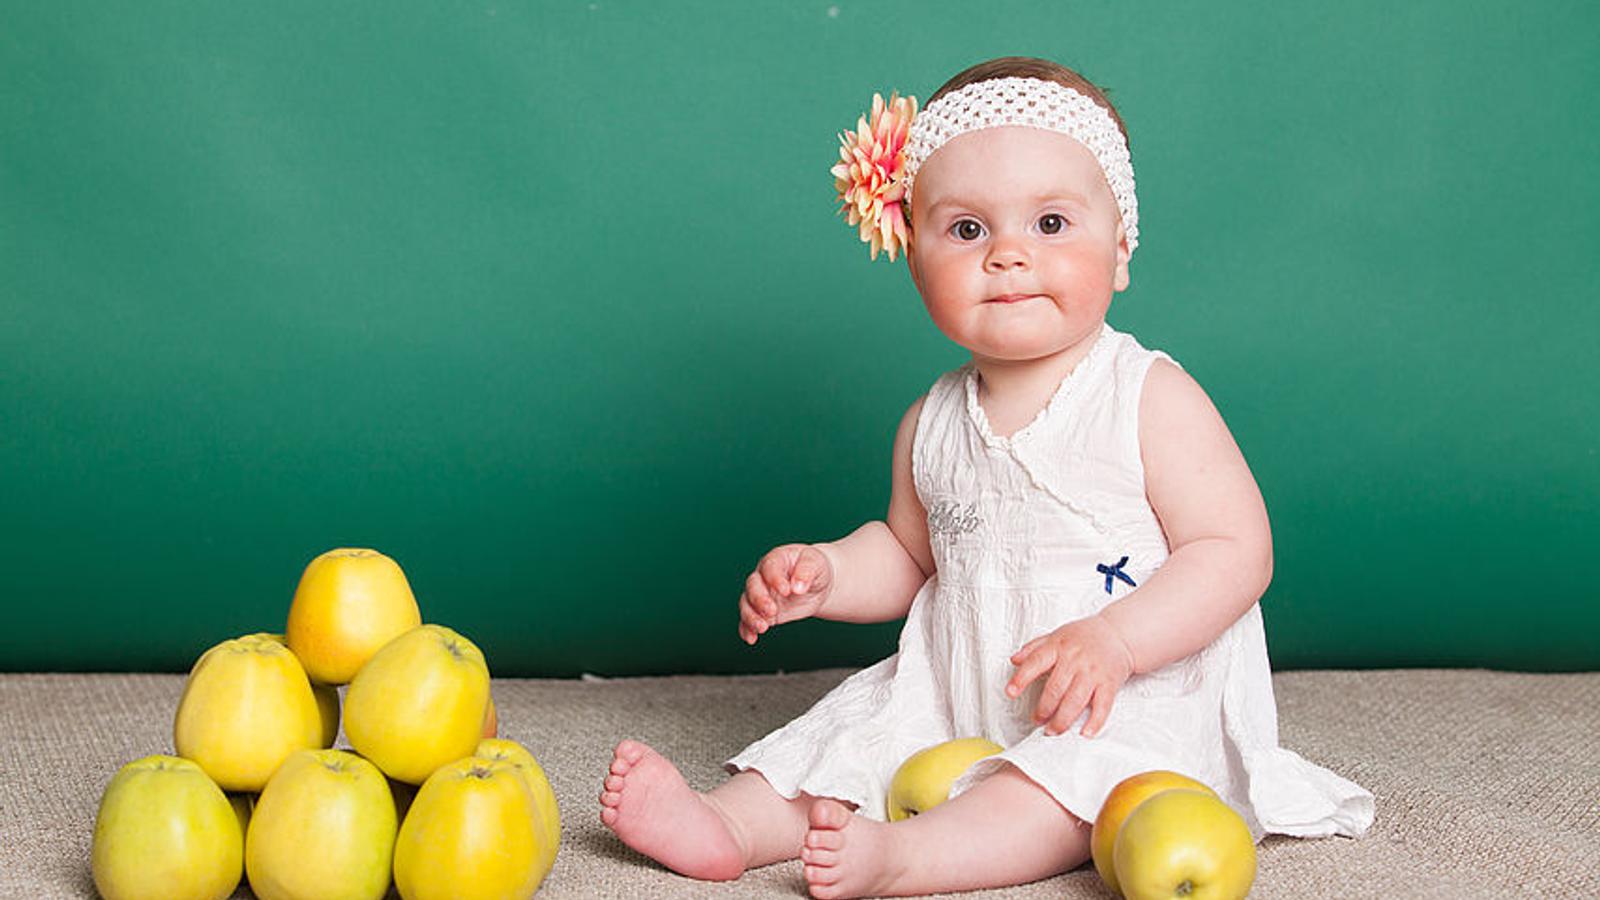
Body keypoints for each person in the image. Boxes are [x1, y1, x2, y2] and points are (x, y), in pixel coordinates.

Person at [599, 56, 1374, 899]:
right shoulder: (931, 423)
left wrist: (1116, 640)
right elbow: (908, 553)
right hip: (960, 691)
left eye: (1050, 223)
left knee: (1057, 789)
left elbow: (1234, 550)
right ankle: (729, 825)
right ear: (914, 257)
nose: (1008, 255)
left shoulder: (1145, 395)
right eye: (968, 230)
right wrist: (826, 572)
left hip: (1116, 700)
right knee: (849, 734)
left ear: (1120, 250)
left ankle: (907, 860)